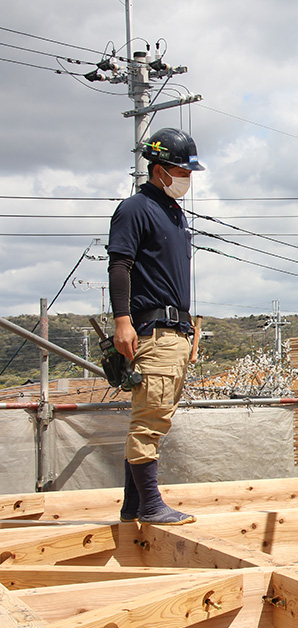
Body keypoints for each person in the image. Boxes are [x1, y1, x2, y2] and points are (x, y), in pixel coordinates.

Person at [107, 127, 204, 525]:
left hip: (175, 329)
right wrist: (122, 321)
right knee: (150, 417)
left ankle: (133, 506)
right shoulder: (135, 208)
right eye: (181, 171)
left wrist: (191, 328)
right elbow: (120, 265)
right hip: (153, 328)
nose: (187, 178)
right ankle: (149, 505)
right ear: (159, 168)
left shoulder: (174, 213)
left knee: (157, 415)